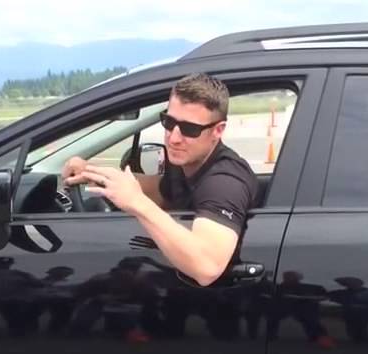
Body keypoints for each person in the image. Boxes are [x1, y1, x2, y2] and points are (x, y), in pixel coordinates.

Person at [61, 73, 259, 287]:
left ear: (218, 130)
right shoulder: (185, 161)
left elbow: (207, 267)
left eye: (190, 129)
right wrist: (92, 174)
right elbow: (159, 191)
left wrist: (136, 202)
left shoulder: (225, 181)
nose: (174, 138)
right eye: (169, 122)